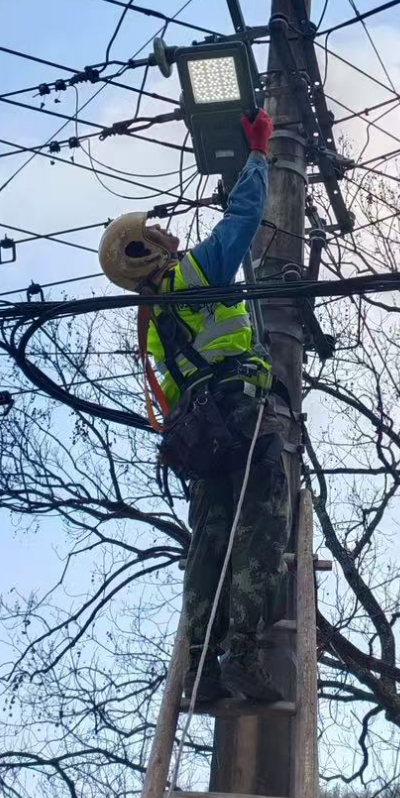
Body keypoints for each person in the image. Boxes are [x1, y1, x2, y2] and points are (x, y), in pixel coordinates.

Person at [98, 109, 290, 704]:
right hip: (240, 416)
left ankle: (200, 669)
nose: (164, 233)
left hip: (196, 437)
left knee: (207, 541)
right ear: (147, 250)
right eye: (152, 233)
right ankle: (244, 651)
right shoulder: (194, 276)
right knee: (260, 526)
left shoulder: (151, 325)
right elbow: (243, 222)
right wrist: (258, 156)